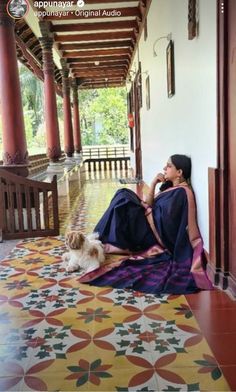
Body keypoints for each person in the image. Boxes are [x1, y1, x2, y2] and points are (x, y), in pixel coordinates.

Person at [80, 154, 213, 294]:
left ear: (179, 172)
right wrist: (154, 183)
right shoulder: (171, 188)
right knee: (123, 193)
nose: (164, 168)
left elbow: (167, 225)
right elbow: (150, 204)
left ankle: (102, 239)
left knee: (123, 201)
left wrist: (146, 212)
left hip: (150, 234)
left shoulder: (181, 193)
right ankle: (100, 238)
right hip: (146, 222)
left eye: (168, 166)